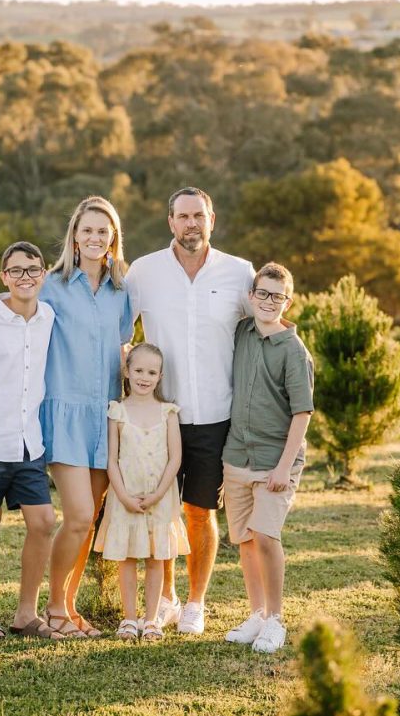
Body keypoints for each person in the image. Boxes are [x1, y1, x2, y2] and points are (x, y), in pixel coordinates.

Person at [124, 187, 255, 634]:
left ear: (211, 220)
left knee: (201, 511)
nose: (191, 224)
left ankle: (196, 602)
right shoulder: (144, 272)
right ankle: (166, 599)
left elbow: (261, 332)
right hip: (159, 417)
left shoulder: (239, 273)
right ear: (170, 222)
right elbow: (121, 335)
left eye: (198, 215)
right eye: (182, 216)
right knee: (161, 509)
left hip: (217, 414)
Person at [39, 196, 134, 638]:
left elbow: (123, 348)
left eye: (103, 231)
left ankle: (70, 609)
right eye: (88, 230)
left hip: (106, 417)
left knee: (89, 521)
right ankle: (54, 608)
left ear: (112, 238)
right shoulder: (51, 285)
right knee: (77, 515)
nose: (95, 238)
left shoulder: (122, 291)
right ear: (74, 236)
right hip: (64, 412)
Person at [0, 241, 64, 640]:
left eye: (33, 270)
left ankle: (25, 614)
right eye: (17, 270)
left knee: (43, 522)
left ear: (42, 275)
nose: (25, 277)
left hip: (28, 441)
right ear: (4, 276)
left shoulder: (48, 317)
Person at [221, 262, 314, 653]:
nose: (268, 301)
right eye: (263, 293)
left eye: (277, 296)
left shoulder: (293, 349)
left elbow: (302, 413)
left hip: (276, 460)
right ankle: (257, 613)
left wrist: (282, 466)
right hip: (237, 456)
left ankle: (275, 619)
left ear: (287, 301)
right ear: (251, 296)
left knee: (266, 535)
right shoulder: (242, 331)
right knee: (245, 540)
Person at [94, 343, 188, 640]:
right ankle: (129, 619)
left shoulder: (167, 412)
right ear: (127, 371)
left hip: (160, 499)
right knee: (128, 559)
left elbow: (175, 458)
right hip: (126, 497)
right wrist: (121, 495)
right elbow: (111, 459)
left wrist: (159, 494)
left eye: (151, 372)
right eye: (138, 370)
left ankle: (151, 620)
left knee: (156, 558)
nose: (144, 377)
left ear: (160, 376)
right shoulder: (117, 411)